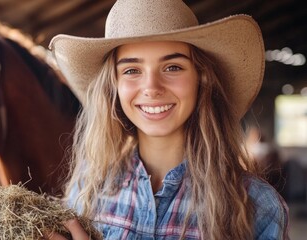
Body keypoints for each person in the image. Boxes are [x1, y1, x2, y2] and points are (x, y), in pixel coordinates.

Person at [49, 0, 289, 239]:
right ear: (113, 87)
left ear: (201, 79)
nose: (152, 88)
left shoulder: (257, 206)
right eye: (132, 70)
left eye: (172, 67)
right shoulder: (88, 191)